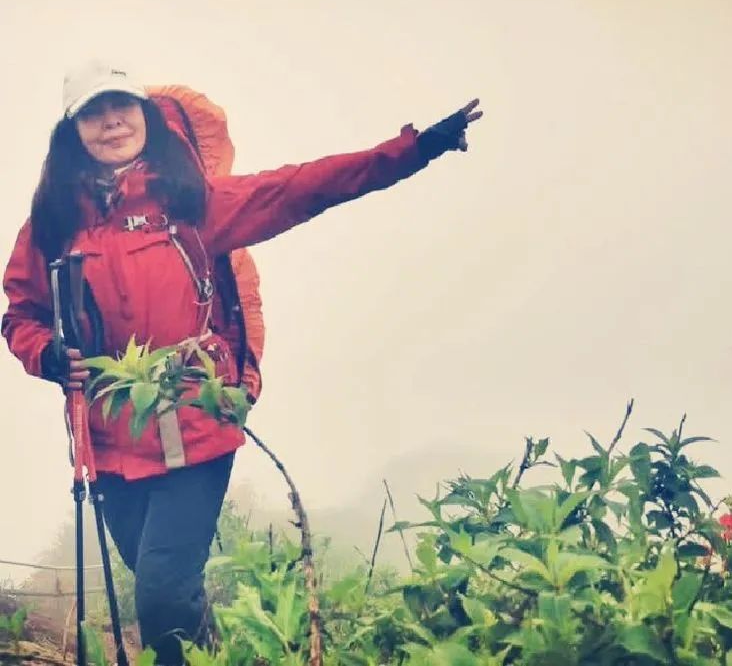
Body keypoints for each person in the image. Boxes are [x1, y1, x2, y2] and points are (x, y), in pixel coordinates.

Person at [1, 59, 482, 664]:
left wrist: (416, 149)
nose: (111, 121)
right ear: (72, 131)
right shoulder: (53, 224)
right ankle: (216, 653)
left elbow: (309, 185)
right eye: (93, 113)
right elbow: (21, 312)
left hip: (198, 422)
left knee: (160, 594)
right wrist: (45, 354)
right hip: (110, 435)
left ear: (145, 114)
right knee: (163, 584)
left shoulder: (191, 203)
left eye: (120, 105)